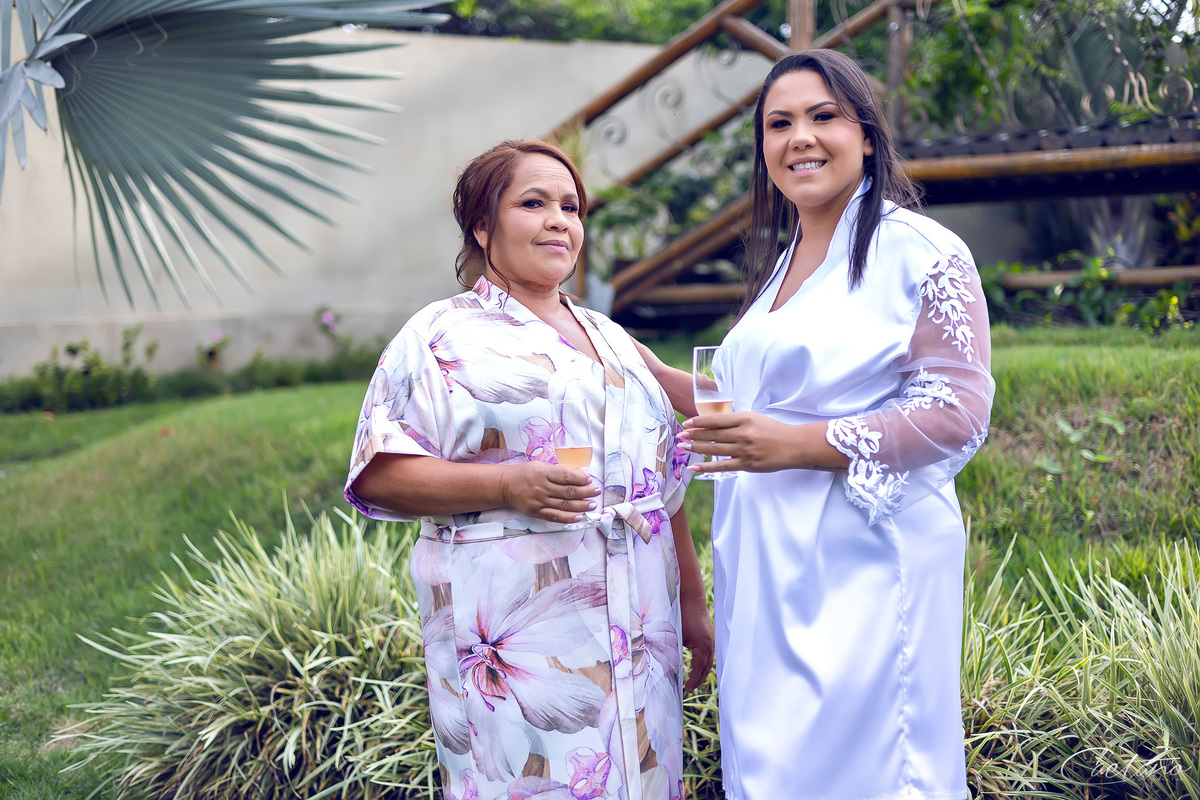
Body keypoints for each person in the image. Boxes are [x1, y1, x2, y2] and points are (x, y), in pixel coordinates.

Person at [637, 51, 994, 800]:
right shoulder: (788, 258)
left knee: (865, 769)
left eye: (823, 116)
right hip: (765, 559)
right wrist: (635, 362)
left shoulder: (920, 251)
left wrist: (796, 445)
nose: (800, 136)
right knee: (776, 769)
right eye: (780, 123)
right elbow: (753, 403)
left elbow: (957, 410)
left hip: (861, 561)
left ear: (866, 134)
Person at [344, 139, 714, 800]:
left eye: (571, 207)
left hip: (639, 622)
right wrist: (505, 484)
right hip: (518, 641)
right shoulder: (439, 336)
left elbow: (661, 483)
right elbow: (377, 475)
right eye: (534, 203)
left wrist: (690, 602)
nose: (558, 221)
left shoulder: (608, 334)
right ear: (483, 227)